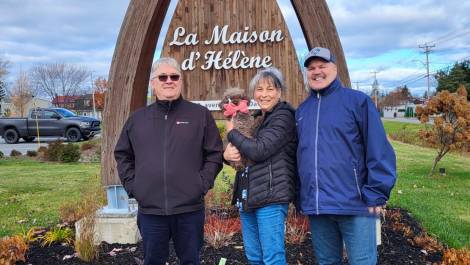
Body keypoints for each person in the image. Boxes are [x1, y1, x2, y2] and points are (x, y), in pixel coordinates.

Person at [114, 57, 223, 265]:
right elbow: (123, 155)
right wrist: (135, 187)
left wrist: (200, 185)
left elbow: (214, 154)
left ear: (181, 81)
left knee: (191, 260)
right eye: (162, 77)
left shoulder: (199, 115)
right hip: (151, 211)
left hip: (189, 210)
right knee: (153, 261)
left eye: (174, 76)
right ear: (153, 83)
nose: (169, 81)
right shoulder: (137, 120)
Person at [296, 47, 397, 265]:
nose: (317, 71)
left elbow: (378, 148)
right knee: (326, 261)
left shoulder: (357, 102)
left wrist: (377, 191)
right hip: (318, 207)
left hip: (356, 204)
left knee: (362, 261)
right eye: (311, 68)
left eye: (322, 66)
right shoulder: (303, 111)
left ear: (335, 68)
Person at [223, 67, 297, 265]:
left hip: (271, 196)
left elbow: (259, 150)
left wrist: (231, 132)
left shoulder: (284, 116)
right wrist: (227, 155)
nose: (264, 94)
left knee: (272, 258)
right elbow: (243, 151)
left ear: (280, 92)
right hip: (248, 196)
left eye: (270, 89)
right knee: (254, 256)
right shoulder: (256, 117)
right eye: (259, 89)